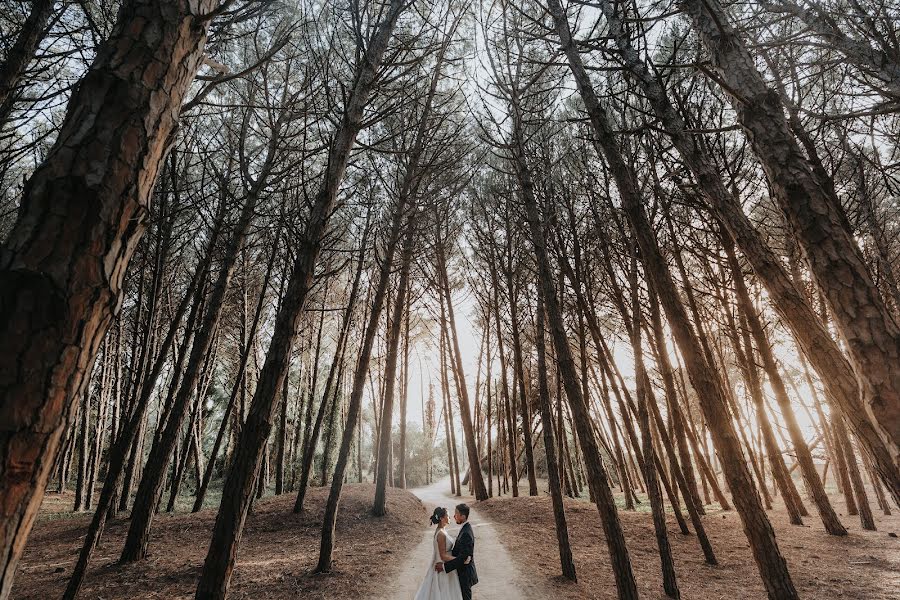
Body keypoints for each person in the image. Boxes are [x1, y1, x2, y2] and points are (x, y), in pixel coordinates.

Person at [413, 506, 470, 600]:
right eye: (447, 515)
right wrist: (461, 560)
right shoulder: (441, 534)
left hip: (448, 566)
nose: (450, 517)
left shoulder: (442, 531)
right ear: (441, 518)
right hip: (443, 568)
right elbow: (443, 556)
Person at [434, 504, 478, 600]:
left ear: (463, 516)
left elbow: (464, 558)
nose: (454, 516)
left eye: (456, 514)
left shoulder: (466, 532)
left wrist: (445, 567)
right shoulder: (464, 528)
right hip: (460, 571)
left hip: (465, 574)